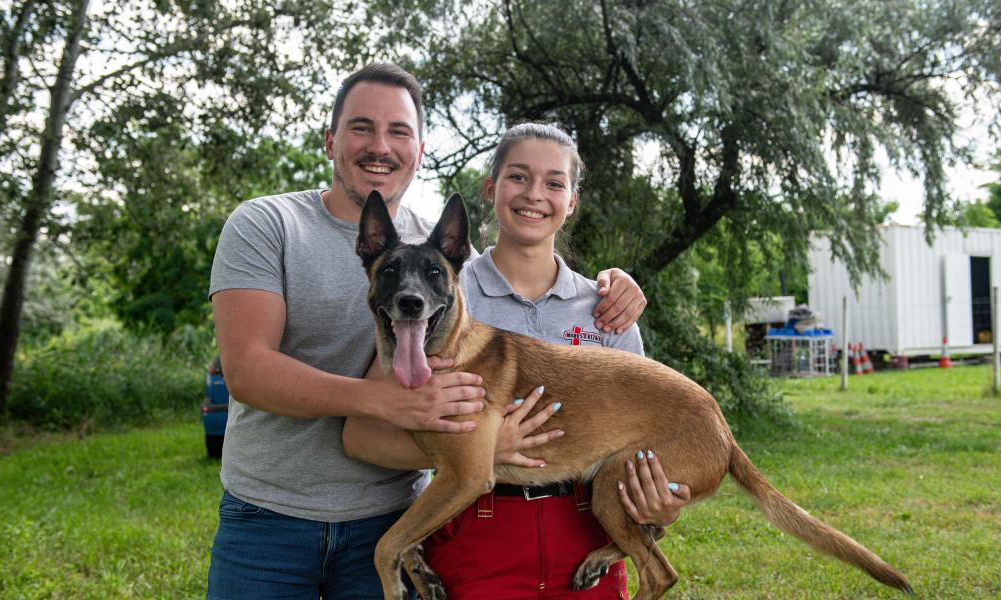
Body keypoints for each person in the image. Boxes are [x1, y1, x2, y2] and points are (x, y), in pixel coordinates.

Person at [206, 64, 647, 599]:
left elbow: (524, 268)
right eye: (361, 128)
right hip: (271, 516)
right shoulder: (268, 224)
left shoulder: (444, 262)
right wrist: (384, 401)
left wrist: (616, 283)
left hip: (394, 510)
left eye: (399, 132)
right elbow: (247, 371)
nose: (380, 146)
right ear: (330, 140)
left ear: (418, 149)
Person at [343, 123, 692, 599]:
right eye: (518, 177)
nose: (534, 194)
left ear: (572, 202)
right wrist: (485, 452)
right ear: (491, 189)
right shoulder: (439, 299)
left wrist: (662, 505)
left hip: (584, 531)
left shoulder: (609, 308)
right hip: (475, 539)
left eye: (554, 183)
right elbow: (363, 434)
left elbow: (642, 445)